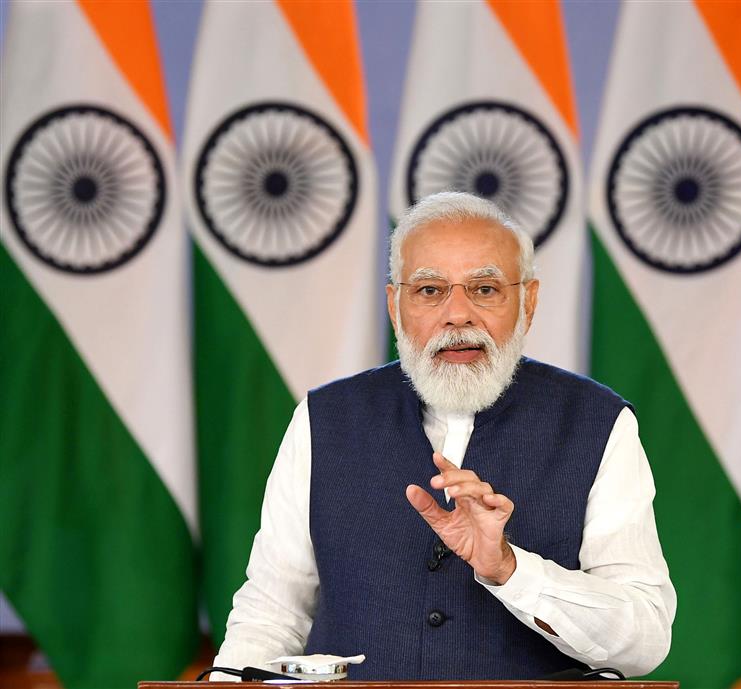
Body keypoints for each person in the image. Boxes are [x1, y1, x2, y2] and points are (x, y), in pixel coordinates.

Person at [212, 191, 676, 680]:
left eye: (485, 289)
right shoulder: (324, 418)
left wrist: (511, 570)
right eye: (430, 291)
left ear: (528, 302)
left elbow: (644, 640)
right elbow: (270, 615)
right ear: (396, 305)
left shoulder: (598, 423)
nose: (458, 315)